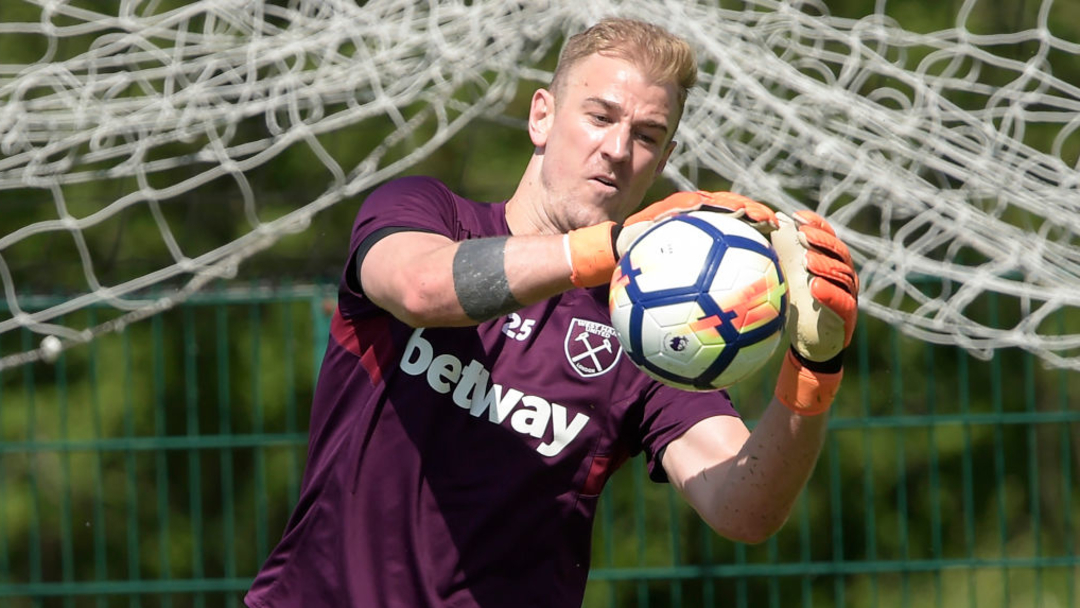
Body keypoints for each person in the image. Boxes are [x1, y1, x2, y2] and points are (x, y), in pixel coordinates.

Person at [245, 16, 858, 608]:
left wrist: (815, 368)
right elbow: (421, 289)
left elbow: (742, 506)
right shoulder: (428, 212)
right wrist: (614, 246)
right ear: (542, 116)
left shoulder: (650, 329)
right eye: (600, 117)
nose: (618, 149)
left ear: (665, 157)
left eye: (646, 135)